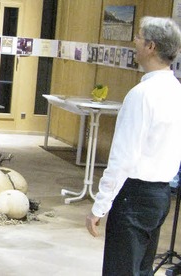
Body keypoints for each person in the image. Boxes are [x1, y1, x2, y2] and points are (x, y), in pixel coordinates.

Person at [85, 16, 181, 276]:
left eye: (138, 37)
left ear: (151, 46)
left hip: (134, 196)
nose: (134, 41)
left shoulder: (141, 95)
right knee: (142, 270)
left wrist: (100, 205)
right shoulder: (176, 90)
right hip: (160, 195)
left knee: (121, 271)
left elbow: (124, 157)